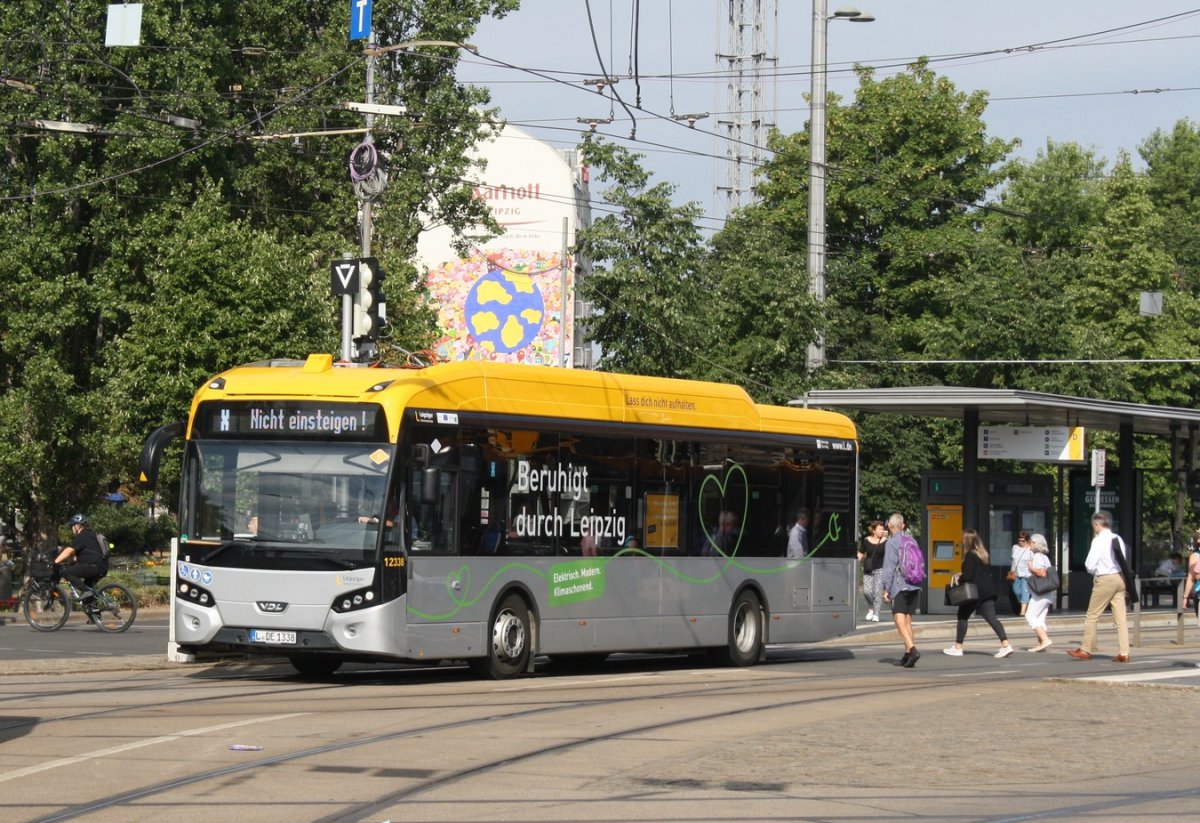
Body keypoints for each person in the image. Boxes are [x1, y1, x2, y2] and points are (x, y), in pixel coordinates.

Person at [1067, 510, 1131, 663]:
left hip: (1105, 578)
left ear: (1097, 525)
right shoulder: (1118, 539)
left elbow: (1089, 564)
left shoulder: (1098, 540)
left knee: (1092, 615)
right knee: (1120, 618)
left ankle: (1085, 649)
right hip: (1120, 578)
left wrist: (1094, 571)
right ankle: (1124, 652)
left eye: (1093, 526)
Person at [943, 528, 1015, 658]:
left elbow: (969, 576)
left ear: (967, 540)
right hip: (988, 591)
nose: (961, 539)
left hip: (974, 592)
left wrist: (960, 577)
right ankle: (1006, 645)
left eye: (963, 538)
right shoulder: (983, 554)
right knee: (992, 619)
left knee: (962, 616)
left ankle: (958, 647)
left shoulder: (970, 555)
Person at [880, 512, 922, 667]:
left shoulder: (891, 543)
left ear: (890, 526)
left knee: (899, 619)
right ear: (903, 526)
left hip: (901, 585)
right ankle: (907, 656)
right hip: (914, 583)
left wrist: (886, 589)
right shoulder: (912, 540)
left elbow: (889, 568)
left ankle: (912, 650)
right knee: (908, 621)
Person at [53, 514, 108, 614]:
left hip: (93, 566)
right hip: (102, 567)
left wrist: (55, 562)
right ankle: (95, 615)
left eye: (72, 526)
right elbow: (77, 556)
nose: (71, 529)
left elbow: (69, 551)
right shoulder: (92, 534)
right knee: (88, 591)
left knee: (66, 573)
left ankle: (87, 592)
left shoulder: (82, 535)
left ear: (77, 526)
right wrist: (71, 562)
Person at [1024, 533, 1054, 652]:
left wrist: (1031, 568)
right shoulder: (1045, 557)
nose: (1029, 544)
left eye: (1031, 542)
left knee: (1029, 615)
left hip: (1040, 592)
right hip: (1047, 592)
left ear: (1036, 544)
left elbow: (1042, 573)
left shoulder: (1037, 557)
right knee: (1040, 618)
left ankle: (1045, 639)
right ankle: (1041, 643)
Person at [857, 519, 887, 623]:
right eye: (879, 529)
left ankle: (876, 614)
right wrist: (854, 562)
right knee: (867, 592)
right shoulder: (866, 540)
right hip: (868, 569)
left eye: (883, 529)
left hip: (880, 569)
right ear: (873, 530)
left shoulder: (885, 541)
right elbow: (861, 553)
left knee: (877, 593)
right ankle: (872, 607)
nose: (882, 531)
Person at [1009, 531, 1032, 616]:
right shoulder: (1015, 547)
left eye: (1023, 541)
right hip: (1017, 573)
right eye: (1019, 540)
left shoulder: (1030, 549)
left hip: (1027, 574)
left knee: (1024, 591)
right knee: (1016, 591)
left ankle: (1023, 611)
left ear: (1027, 541)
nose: (1020, 542)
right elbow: (1013, 560)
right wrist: (1012, 570)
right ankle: (1026, 603)